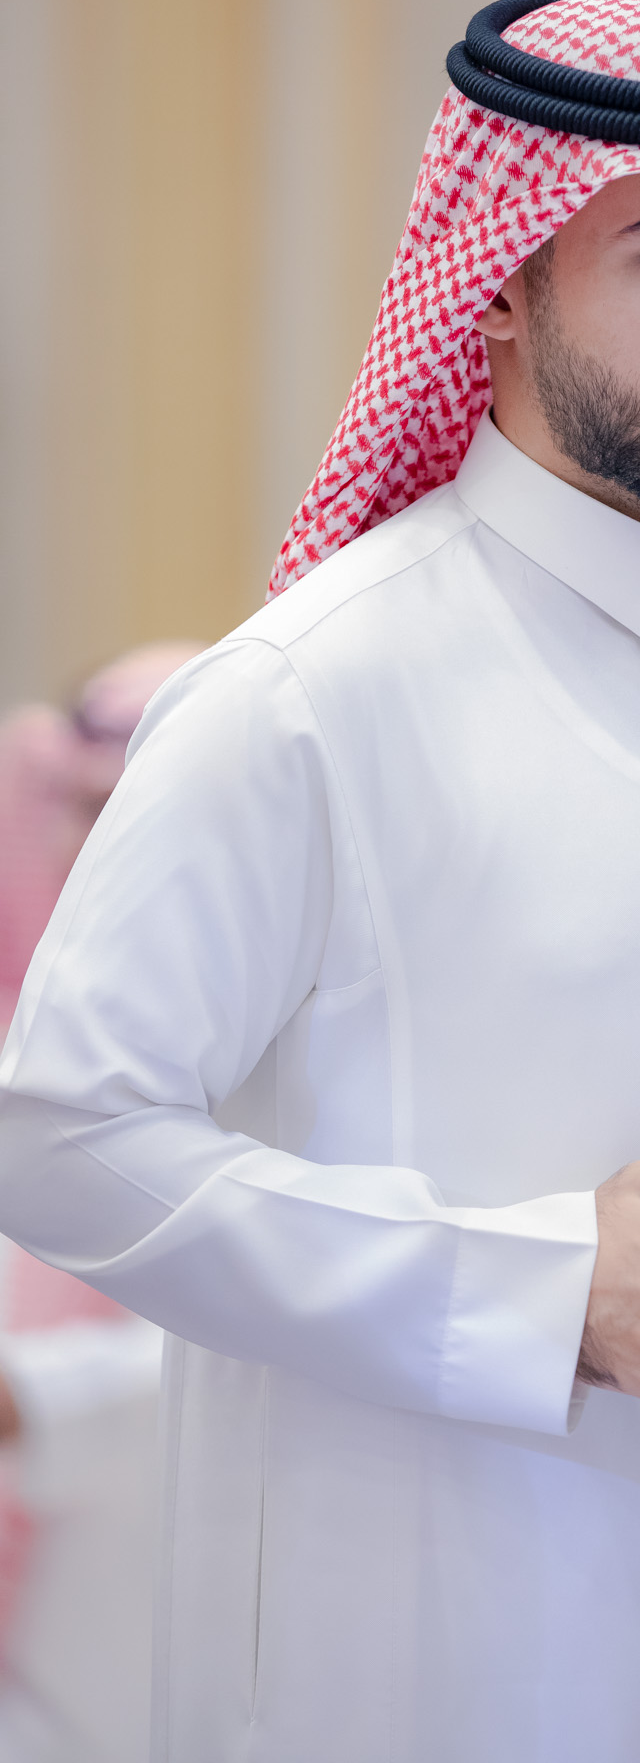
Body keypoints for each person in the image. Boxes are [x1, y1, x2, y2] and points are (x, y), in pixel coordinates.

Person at [0, 0, 640, 1761]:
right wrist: (544, 1294)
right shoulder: (306, 692)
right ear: (498, 282)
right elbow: (60, 1133)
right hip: (433, 1641)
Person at [0, 645, 199, 1763]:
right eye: (80, 808)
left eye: (129, 811)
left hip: (147, 1603)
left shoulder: (274, 1048)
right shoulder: (23, 1025)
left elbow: (273, 1325)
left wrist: (32, 1399)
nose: (95, 845)